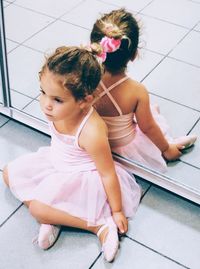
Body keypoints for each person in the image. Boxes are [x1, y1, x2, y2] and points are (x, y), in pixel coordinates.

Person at [2, 45, 141, 262]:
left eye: (57, 100)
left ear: (85, 101)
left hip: (83, 179)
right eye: (43, 93)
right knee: (9, 173)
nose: (46, 105)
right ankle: (56, 217)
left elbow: (107, 173)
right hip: (56, 164)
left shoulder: (91, 131)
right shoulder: (59, 111)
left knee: (37, 209)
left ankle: (98, 225)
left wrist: (116, 211)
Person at [90, 8, 197, 173]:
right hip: (123, 147)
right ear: (134, 55)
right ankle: (173, 143)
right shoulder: (136, 91)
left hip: (94, 142)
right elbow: (147, 127)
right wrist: (166, 149)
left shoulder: (85, 77)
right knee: (152, 118)